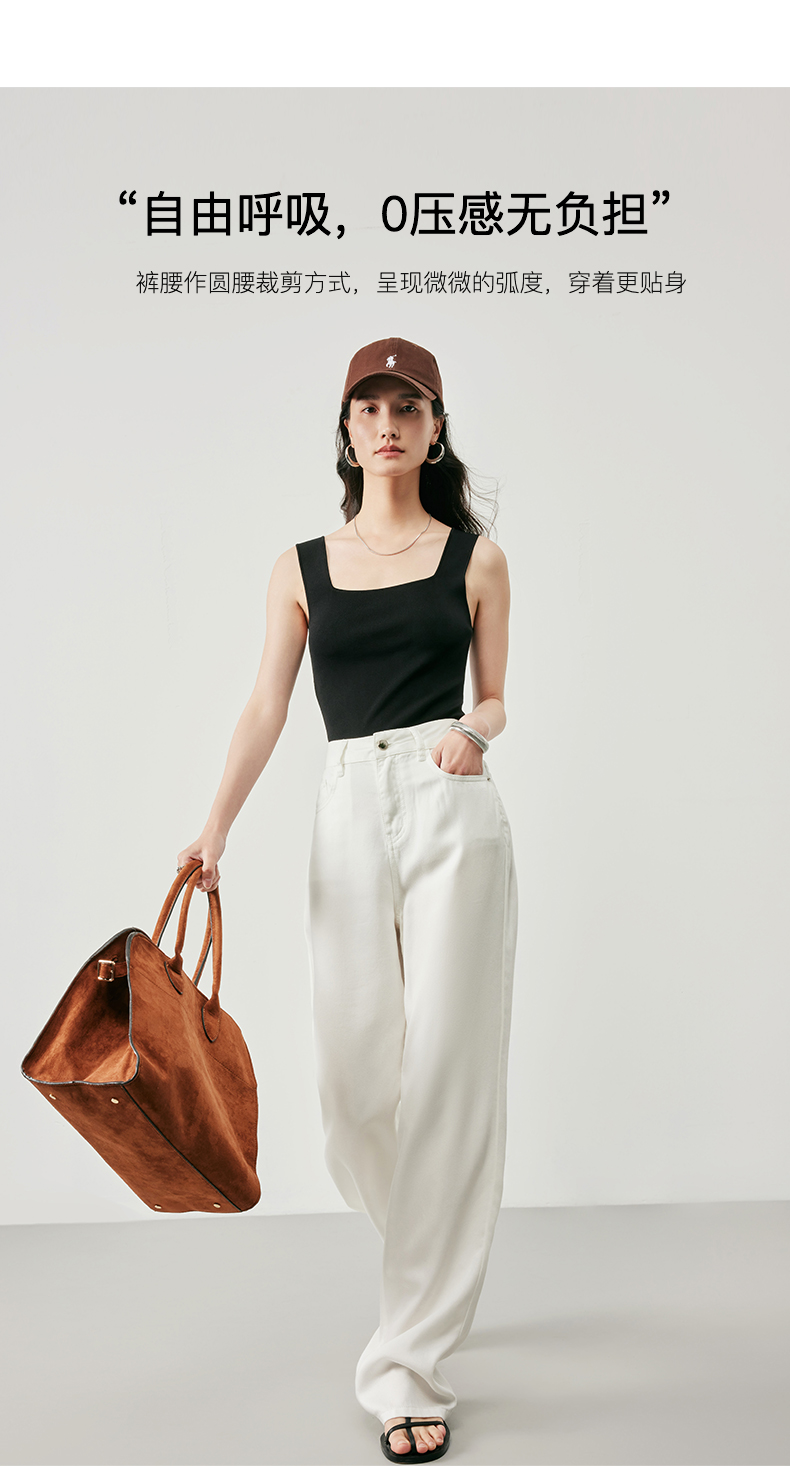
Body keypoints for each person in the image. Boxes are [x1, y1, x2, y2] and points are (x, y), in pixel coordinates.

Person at [178, 337, 518, 1462]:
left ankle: (407, 1362)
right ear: (346, 428)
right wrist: (215, 827)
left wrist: (474, 733)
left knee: (452, 1072)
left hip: (449, 802)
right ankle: (431, 1253)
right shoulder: (300, 565)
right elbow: (265, 706)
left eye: (406, 407)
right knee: (354, 1087)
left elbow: (496, 697)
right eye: (369, 407)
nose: (386, 425)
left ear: (434, 428)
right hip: (344, 805)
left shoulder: (476, 558)